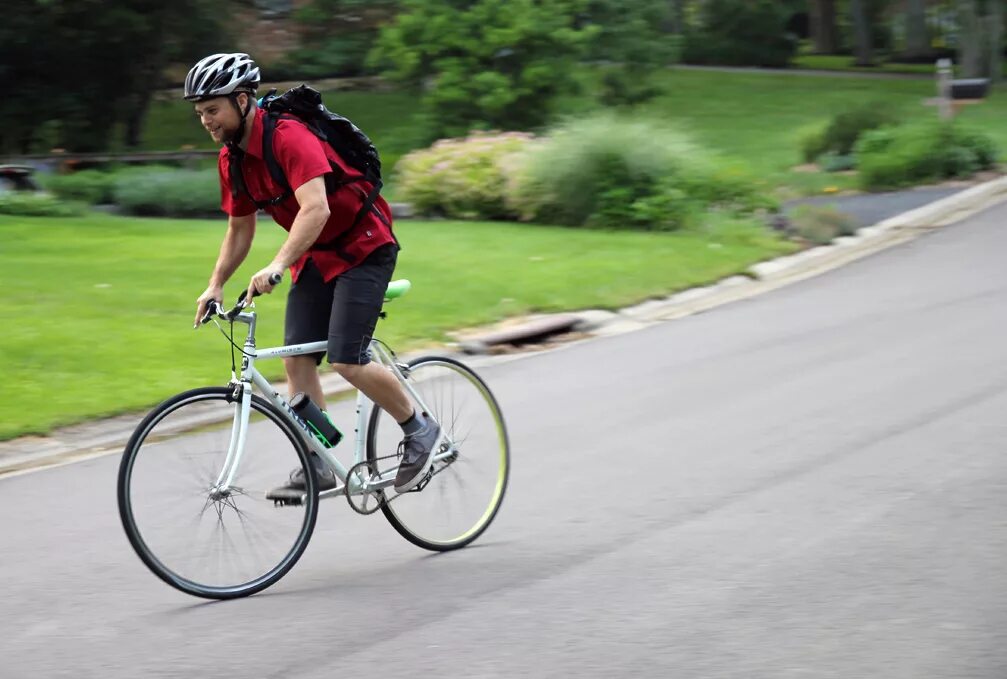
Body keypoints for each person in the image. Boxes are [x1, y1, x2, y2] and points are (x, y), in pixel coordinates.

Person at [185, 52, 439, 494]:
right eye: (200, 112)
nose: (205, 120)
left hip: (364, 247)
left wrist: (277, 263)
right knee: (296, 361)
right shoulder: (233, 161)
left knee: (346, 358)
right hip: (317, 256)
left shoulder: (288, 137)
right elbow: (239, 229)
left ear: (243, 100)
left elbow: (316, 207)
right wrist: (216, 283)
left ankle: (419, 428)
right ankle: (321, 460)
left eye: (212, 109)